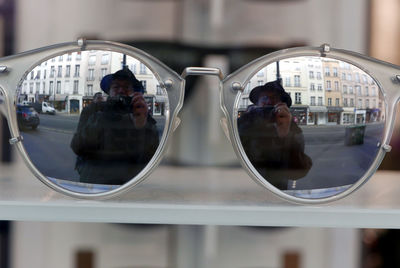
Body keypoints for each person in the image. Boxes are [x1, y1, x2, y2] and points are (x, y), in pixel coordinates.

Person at [70, 68, 159, 185]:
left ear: (134, 93)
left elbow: (153, 157)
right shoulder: (93, 110)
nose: (121, 90)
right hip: (95, 184)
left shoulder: (140, 113)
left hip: (130, 184)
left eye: (127, 87)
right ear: (109, 91)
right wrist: (105, 118)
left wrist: (142, 125)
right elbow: (77, 146)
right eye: (116, 87)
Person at [237, 80, 312, 190]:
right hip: (244, 189)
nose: (268, 103)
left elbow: (296, 173)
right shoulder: (244, 122)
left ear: (281, 106)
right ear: (256, 104)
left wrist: (286, 135)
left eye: (274, 99)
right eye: (264, 99)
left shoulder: (291, 128)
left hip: (276, 191)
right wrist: (247, 123)